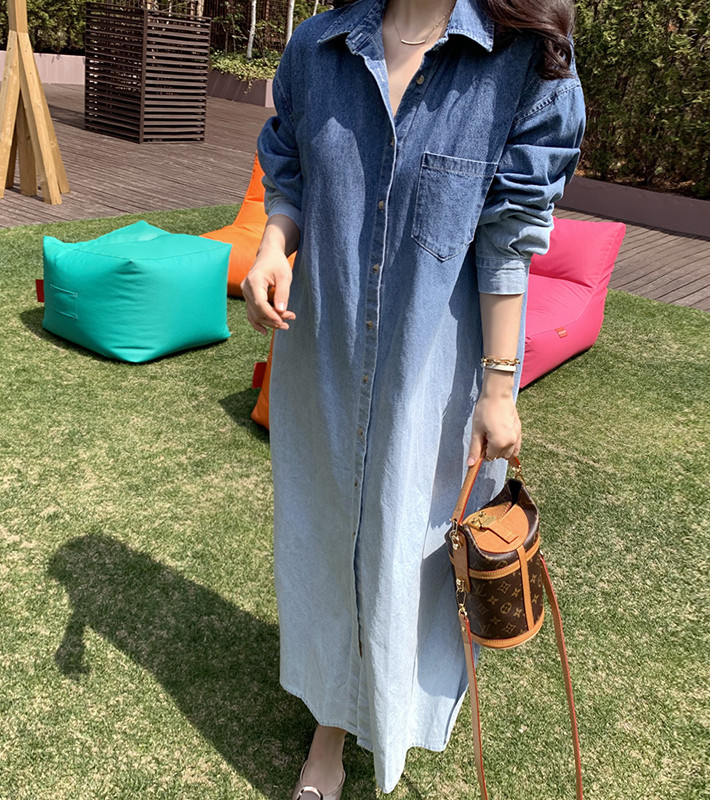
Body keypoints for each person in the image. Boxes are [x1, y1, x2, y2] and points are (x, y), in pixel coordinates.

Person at [241, 0, 585, 796]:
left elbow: (510, 234)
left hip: (435, 363)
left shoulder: (526, 62)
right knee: (329, 541)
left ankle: (390, 716)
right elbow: (288, 168)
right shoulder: (317, 47)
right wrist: (272, 247)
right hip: (323, 348)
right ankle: (329, 733)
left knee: (411, 550)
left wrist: (499, 386)